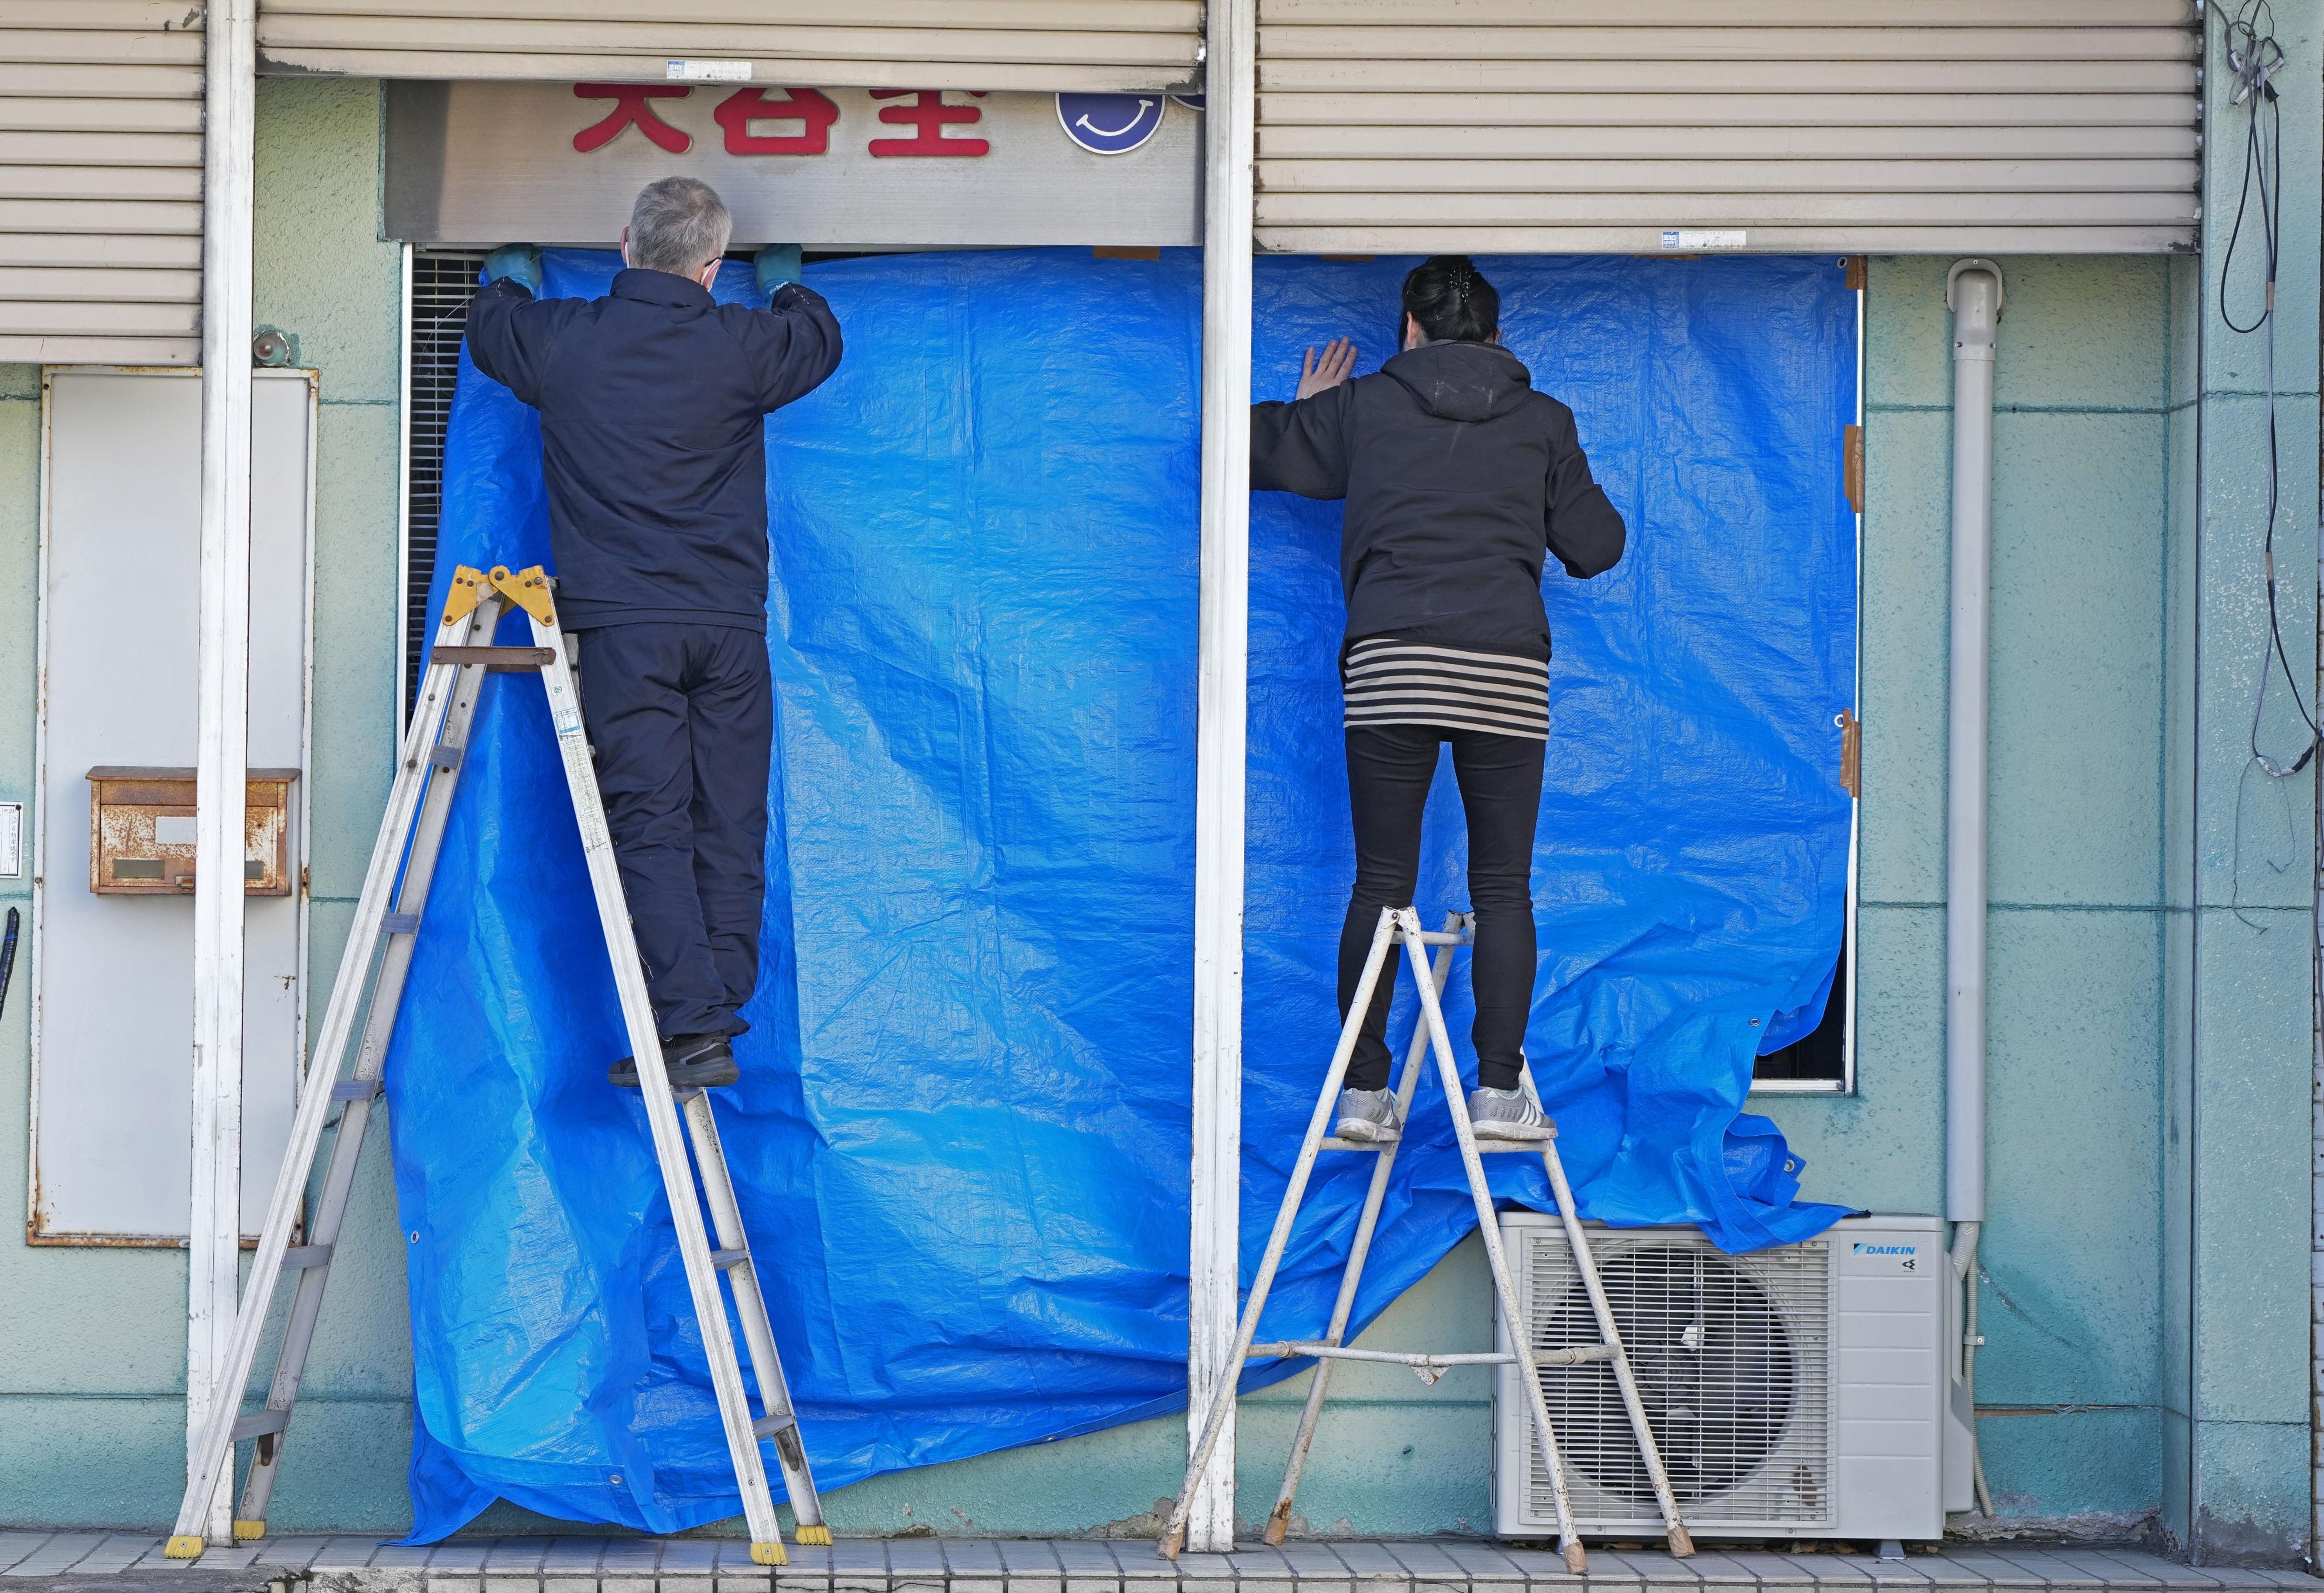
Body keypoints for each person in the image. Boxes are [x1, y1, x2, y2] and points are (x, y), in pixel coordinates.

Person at [467, 176, 843, 1091]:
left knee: (649, 819)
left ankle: (694, 1019)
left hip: (625, 631)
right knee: (730, 816)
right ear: (713, 268)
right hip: (727, 629)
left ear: (624, 242)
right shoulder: (744, 345)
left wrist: (510, 280)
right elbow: (819, 342)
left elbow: (491, 331)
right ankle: (709, 1013)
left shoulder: (568, 343)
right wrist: (789, 285)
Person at [1250, 256, 1626, 1144]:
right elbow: (1599, 546)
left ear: (1407, 332)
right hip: (1503, 674)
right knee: (1503, 888)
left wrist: (1313, 413)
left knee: (1381, 881)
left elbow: (1245, 449)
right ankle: (1500, 1092)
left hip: (1390, 669)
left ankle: (1364, 1094)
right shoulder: (1545, 421)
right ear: (1498, 340)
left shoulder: (1364, 406)